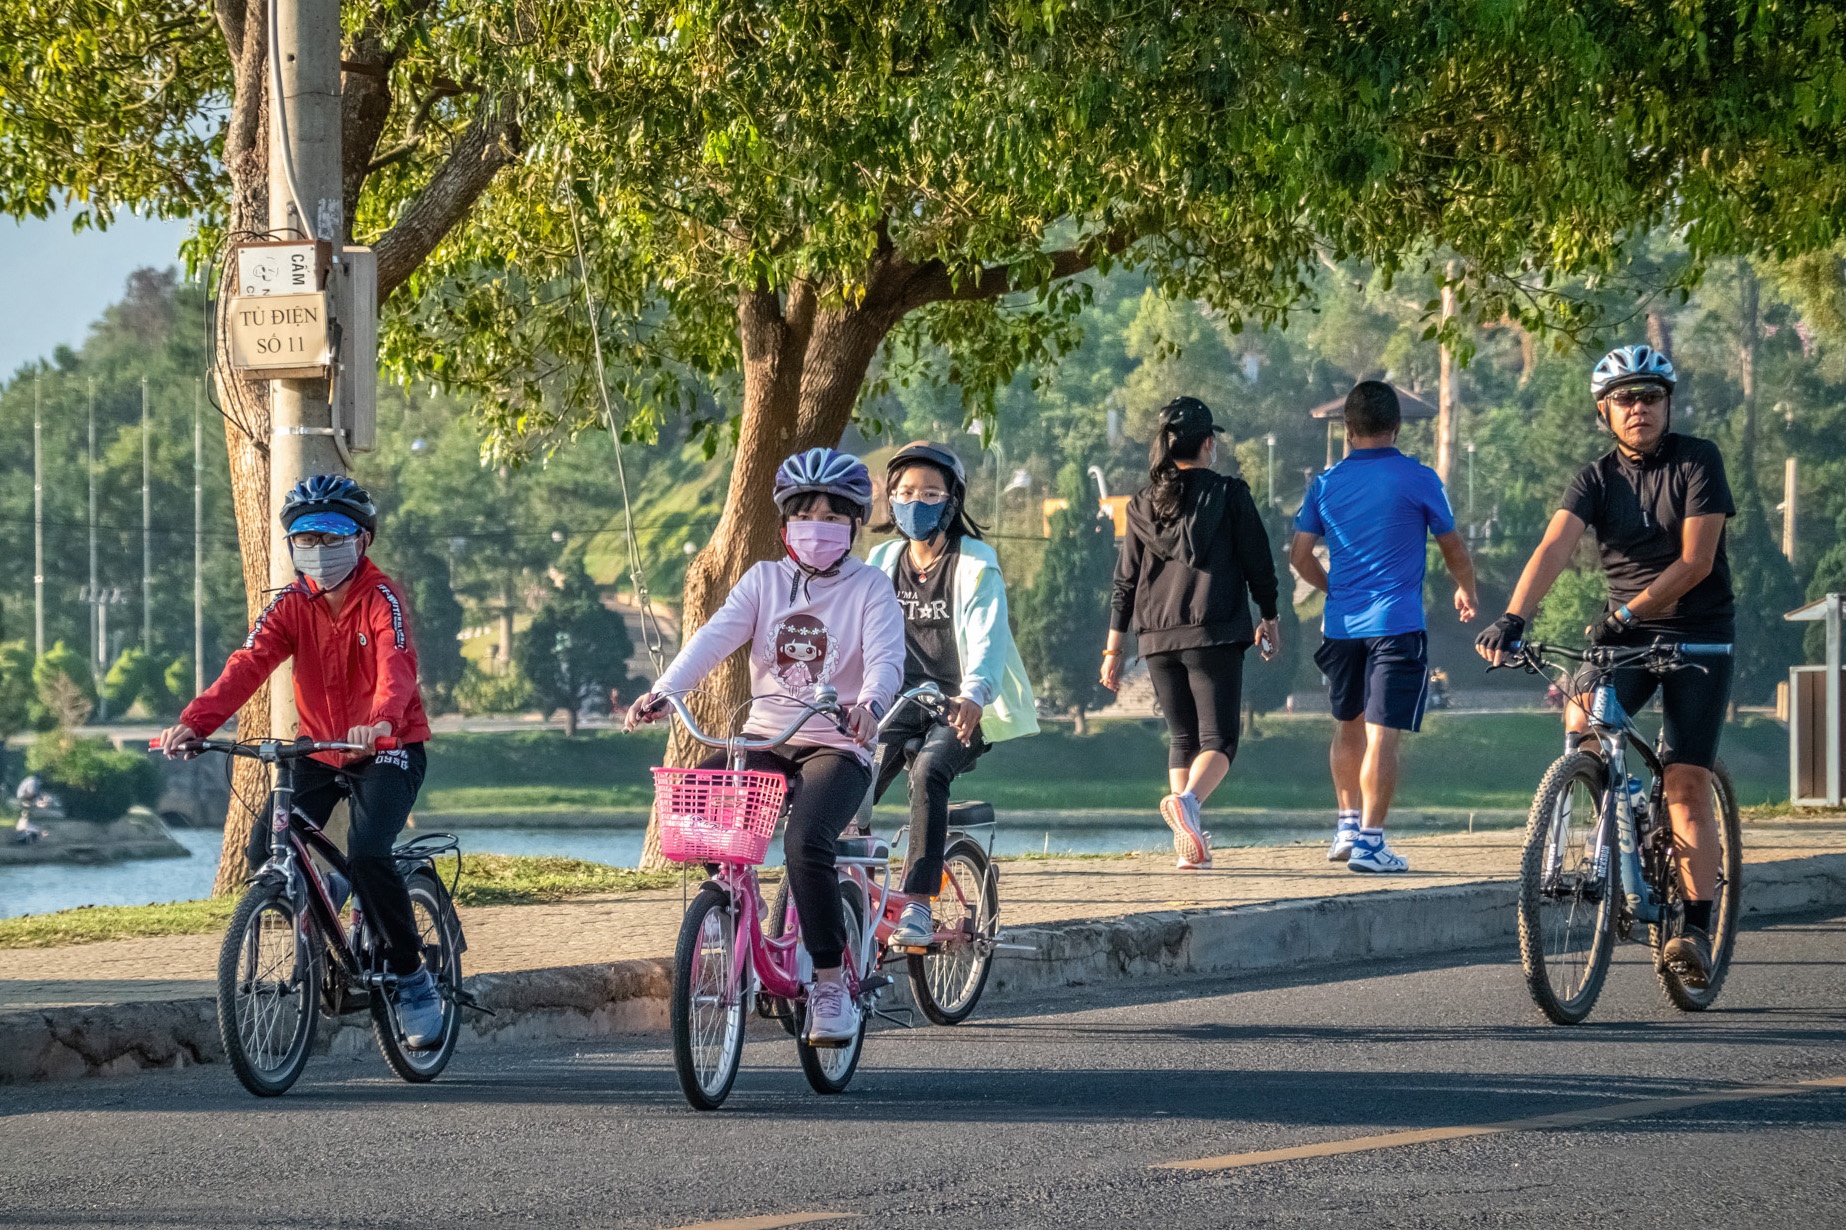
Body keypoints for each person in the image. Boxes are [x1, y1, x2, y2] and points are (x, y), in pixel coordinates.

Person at [1475, 344, 1734, 987]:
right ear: (1604, 412)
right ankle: (1592, 812)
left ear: (1667, 404)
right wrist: (1513, 617)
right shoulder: (1594, 479)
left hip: (1697, 636)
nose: (1638, 408)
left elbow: (1696, 563)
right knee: (1583, 712)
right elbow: (1555, 546)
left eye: (1650, 397)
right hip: (1625, 637)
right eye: (1625, 399)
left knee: (1685, 785)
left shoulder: (1698, 461)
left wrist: (1627, 615)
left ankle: (1695, 929)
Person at [626, 448, 904, 1045]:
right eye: (807, 514)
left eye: (834, 516)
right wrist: (663, 690)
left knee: (807, 841)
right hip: (765, 737)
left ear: (855, 525)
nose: (819, 527)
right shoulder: (763, 581)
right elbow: (712, 638)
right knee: (700, 796)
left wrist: (870, 706)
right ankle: (730, 914)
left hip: (837, 744)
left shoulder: (871, 589)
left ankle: (829, 982)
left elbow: (885, 662)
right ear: (784, 524)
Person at [157, 475, 443, 1046]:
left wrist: (382, 721)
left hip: (388, 748)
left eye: (333, 532)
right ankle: (327, 901)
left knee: (367, 852)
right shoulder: (290, 604)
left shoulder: (382, 597)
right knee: (265, 849)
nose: (318, 545)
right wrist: (196, 722)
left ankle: (413, 980)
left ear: (362, 539)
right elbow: (248, 663)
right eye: (304, 535)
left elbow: (397, 664)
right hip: (317, 747)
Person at [1291, 381, 1479, 873]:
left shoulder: (1325, 483)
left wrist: (1332, 589)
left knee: (1347, 725)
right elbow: (1452, 545)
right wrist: (1467, 588)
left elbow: (1298, 555)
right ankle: (1372, 843)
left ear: (1348, 430)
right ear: (1395, 427)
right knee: (1382, 735)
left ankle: (1347, 826)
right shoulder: (1417, 477)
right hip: (1395, 623)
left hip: (1341, 626)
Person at [865, 441, 1039, 945]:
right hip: (896, 702)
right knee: (850, 777)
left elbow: (987, 638)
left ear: (952, 501)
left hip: (958, 707)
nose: (915, 502)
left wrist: (975, 694)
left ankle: (918, 903)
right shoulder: (882, 560)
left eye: (930, 492)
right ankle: (851, 887)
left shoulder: (975, 563)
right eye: (904, 492)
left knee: (929, 770)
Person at [1103, 397, 1282, 870]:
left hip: (1156, 637)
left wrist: (1113, 647)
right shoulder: (1229, 494)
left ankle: (1190, 846)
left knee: (1182, 737)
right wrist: (1269, 613)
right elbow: (1257, 560)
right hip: (1213, 629)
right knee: (1220, 741)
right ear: (1208, 443)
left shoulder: (1142, 503)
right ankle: (1189, 806)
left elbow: (1125, 579)